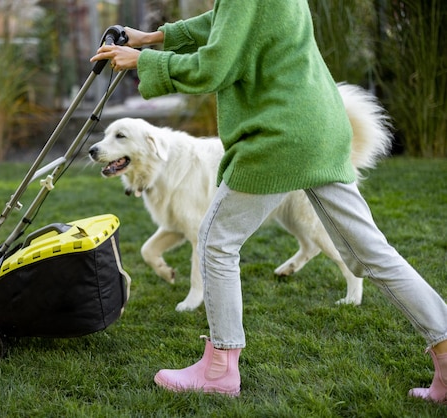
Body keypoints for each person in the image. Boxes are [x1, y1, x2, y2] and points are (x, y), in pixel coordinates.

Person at [90, 0, 447, 402]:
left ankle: (220, 369)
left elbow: (215, 66)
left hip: (280, 137)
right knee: (372, 252)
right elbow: (229, 23)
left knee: (215, 241)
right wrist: (159, 36)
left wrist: (145, 60)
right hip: (320, 128)